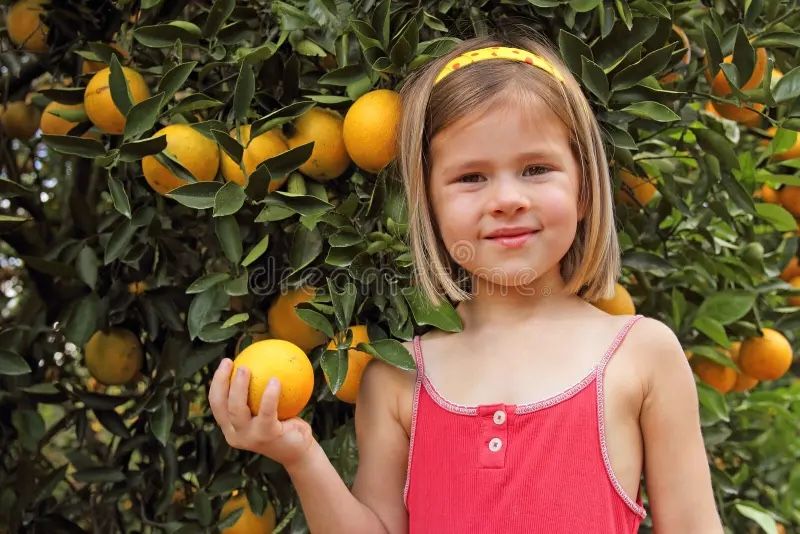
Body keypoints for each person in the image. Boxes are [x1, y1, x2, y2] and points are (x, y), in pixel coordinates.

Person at [208, 30, 724, 533]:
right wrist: (299, 454)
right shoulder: (397, 378)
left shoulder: (640, 355)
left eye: (537, 168)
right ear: (428, 207)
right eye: (471, 177)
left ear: (585, 188)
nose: (506, 199)